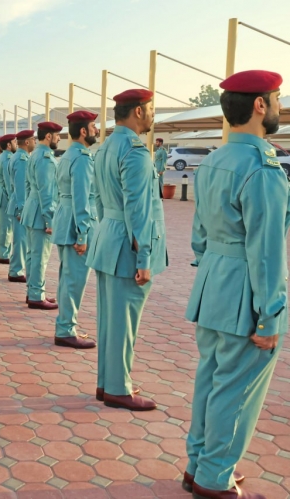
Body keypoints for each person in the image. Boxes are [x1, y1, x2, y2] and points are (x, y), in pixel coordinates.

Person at [184, 70, 286, 499]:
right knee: (237, 389)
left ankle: (198, 464)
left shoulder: (214, 160)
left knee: (211, 379)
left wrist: (212, 267)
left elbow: (199, 235)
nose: (279, 105)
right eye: (277, 98)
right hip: (246, 291)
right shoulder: (262, 167)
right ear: (259, 105)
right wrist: (270, 315)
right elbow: (266, 251)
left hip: (213, 283)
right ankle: (214, 476)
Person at [86, 88, 167, 411]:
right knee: (124, 322)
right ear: (138, 111)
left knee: (110, 319)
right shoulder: (134, 151)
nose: (153, 115)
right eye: (151, 109)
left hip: (109, 238)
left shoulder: (105, 147)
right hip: (127, 247)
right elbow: (138, 208)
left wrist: (106, 231)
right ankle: (119, 388)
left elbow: (97, 198)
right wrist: (144, 256)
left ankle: (107, 382)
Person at [52, 111, 99, 349]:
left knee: (67, 278)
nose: (96, 131)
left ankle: (65, 326)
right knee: (74, 281)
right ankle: (66, 330)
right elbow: (81, 197)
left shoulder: (68, 155)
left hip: (65, 219)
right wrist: (82, 234)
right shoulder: (81, 158)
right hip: (75, 224)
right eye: (93, 127)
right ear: (83, 131)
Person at [23, 122, 61, 310]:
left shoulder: (35, 154)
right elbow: (46, 193)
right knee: (40, 257)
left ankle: (34, 291)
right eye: (57, 135)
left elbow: (28, 185)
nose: (59, 139)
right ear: (48, 136)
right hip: (40, 213)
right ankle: (37, 295)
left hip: (32, 210)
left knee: (32, 255)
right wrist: (50, 220)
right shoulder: (45, 158)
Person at [6, 130, 35, 283]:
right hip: (20, 206)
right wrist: (22, 209)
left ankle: (16, 268)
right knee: (21, 241)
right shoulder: (22, 159)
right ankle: (16, 271)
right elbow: (21, 186)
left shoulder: (17, 156)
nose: (35, 143)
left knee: (20, 240)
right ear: (27, 142)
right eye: (34, 140)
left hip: (16, 203)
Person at [0, 134, 16, 264]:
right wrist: (12, 198)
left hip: (1, 193)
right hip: (5, 195)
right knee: (6, 227)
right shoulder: (7, 158)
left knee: (5, 226)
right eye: (14, 142)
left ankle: (3, 252)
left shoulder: (2, 156)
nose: (16, 144)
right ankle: (3, 254)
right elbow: (8, 181)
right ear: (8, 145)